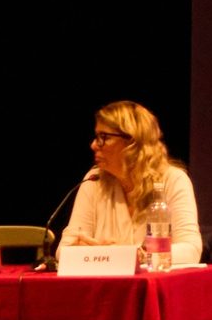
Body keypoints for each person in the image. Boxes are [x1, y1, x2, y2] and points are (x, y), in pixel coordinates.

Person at [61, 100, 201, 265]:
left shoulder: (173, 180)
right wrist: (80, 250)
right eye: (96, 137)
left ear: (132, 141)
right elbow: (63, 250)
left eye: (104, 137)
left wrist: (138, 254)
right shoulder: (94, 179)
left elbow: (191, 250)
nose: (93, 145)